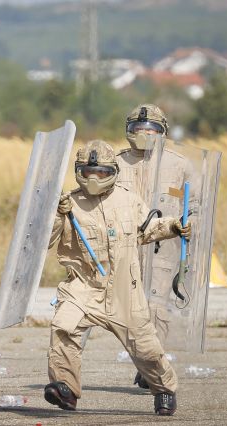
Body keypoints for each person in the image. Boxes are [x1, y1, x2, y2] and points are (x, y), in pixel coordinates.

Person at [45, 139, 191, 416]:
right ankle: (65, 388)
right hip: (84, 285)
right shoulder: (68, 203)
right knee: (63, 328)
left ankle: (164, 389)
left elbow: (147, 229)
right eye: (87, 172)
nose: (93, 177)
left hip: (125, 288)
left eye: (100, 172)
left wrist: (173, 225)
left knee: (146, 349)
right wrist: (55, 214)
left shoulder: (128, 200)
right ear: (78, 171)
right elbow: (44, 240)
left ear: (112, 172)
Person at [116, 103, 194, 389]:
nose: (144, 133)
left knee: (157, 309)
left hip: (163, 248)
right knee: (129, 312)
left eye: (151, 129)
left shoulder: (180, 165)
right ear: (128, 131)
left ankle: (152, 366)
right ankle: (145, 361)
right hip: (125, 248)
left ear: (163, 132)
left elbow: (195, 203)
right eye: (139, 128)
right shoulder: (116, 162)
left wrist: (191, 224)